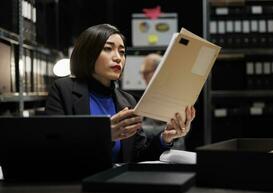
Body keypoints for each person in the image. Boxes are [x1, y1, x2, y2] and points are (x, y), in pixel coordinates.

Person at [45, 24, 196, 163]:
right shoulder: (63, 90)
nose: (118, 58)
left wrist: (165, 138)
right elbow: (55, 148)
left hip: (118, 184)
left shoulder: (127, 100)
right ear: (88, 53)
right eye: (108, 48)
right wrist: (105, 136)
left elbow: (138, 156)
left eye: (122, 52)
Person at [140, 53, 186, 150]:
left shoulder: (172, 95)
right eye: (142, 73)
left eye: (146, 73)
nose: (143, 78)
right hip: (154, 150)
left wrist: (137, 130)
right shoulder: (150, 94)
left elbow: (174, 128)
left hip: (172, 153)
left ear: (158, 71)